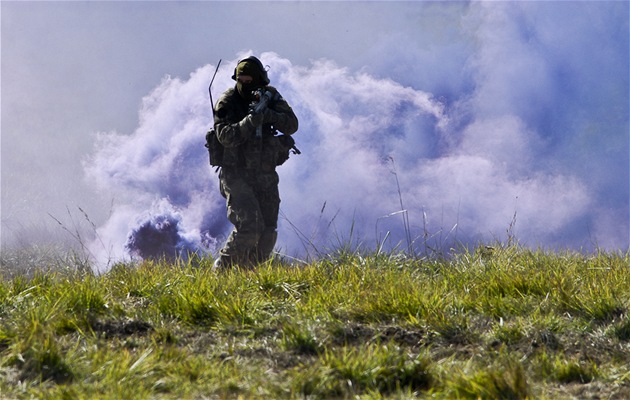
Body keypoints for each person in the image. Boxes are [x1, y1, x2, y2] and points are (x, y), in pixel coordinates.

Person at [212, 56, 299, 270]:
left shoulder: (271, 96)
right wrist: (250, 122)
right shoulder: (227, 101)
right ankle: (221, 271)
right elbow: (225, 136)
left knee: (268, 231)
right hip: (236, 174)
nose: (245, 85)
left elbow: (292, 124)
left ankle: (249, 273)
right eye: (241, 80)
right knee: (250, 227)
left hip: (265, 173)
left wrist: (269, 115)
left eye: (250, 80)